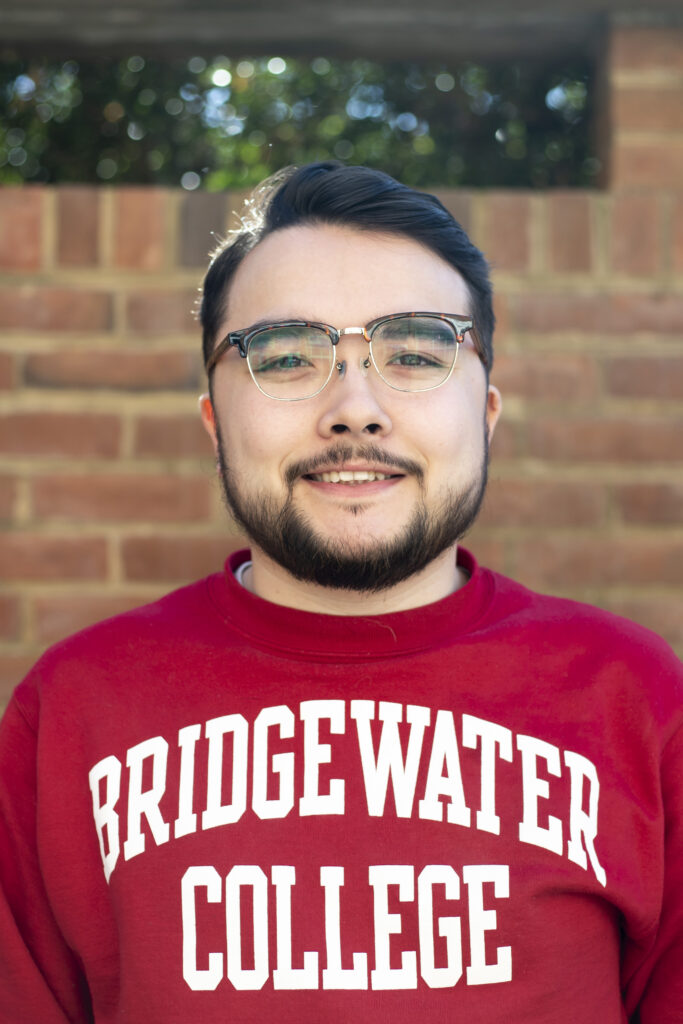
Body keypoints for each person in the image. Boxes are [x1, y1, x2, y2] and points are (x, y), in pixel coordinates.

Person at [0, 162, 681, 1024]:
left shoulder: (637, 698)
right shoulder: (69, 714)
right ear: (215, 418)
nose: (354, 408)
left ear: (487, 413)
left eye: (415, 352)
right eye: (286, 356)